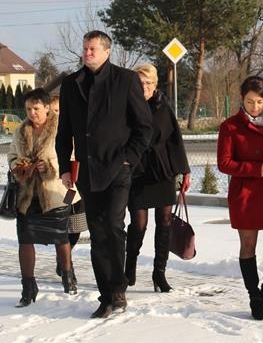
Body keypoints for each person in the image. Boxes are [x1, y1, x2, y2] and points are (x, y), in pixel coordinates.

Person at [55, 30, 152, 319]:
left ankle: (118, 289)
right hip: (87, 170)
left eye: (93, 49)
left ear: (107, 52)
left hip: (118, 168)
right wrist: (65, 167)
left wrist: (128, 159)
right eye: (85, 48)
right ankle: (107, 295)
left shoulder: (125, 79)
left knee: (113, 225)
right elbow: (64, 130)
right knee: (97, 233)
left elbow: (144, 126)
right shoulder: (71, 83)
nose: (87, 53)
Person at [217, 75, 263, 320]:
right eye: (250, 102)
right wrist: (256, 169)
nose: (255, 107)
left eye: (259, 102)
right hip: (246, 194)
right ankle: (254, 297)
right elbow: (224, 163)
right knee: (248, 245)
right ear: (242, 99)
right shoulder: (230, 126)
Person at [8, 87, 80, 307]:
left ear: (47, 107)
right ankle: (28, 287)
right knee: (25, 239)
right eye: (28, 109)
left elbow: (73, 155)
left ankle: (67, 275)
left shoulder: (61, 127)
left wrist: (49, 167)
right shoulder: (20, 131)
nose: (32, 113)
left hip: (57, 192)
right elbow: (11, 156)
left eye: (36, 108)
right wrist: (19, 166)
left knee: (61, 237)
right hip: (28, 196)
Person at [126, 63, 191, 293]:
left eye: (148, 83)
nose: (144, 87)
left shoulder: (163, 106)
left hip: (162, 171)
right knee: (139, 224)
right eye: (140, 83)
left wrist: (184, 170)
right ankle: (129, 265)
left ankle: (159, 273)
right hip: (137, 171)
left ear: (155, 85)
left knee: (164, 221)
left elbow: (175, 140)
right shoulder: (127, 106)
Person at [50, 94, 87, 277]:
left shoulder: (71, 126)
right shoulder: (46, 132)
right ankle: (65, 262)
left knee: (77, 224)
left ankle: (65, 254)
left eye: (59, 110)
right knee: (63, 222)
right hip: (57, 186)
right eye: (53, 111)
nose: (56, 115)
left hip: (74, 184)